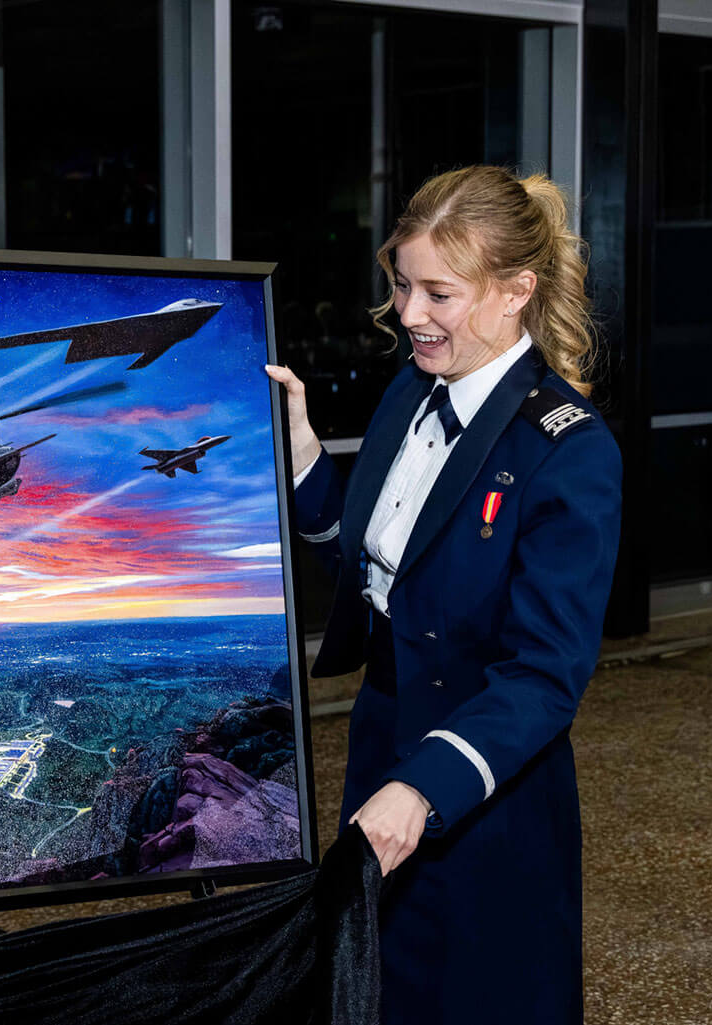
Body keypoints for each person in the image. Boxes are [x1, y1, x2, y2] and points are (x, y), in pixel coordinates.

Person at [266, 166, 621, 1024]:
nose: (409, 314)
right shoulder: (408, 393)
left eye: (438, 292)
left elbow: (544, 675)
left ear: (514, 293)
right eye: (401, 284)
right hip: (382, 739)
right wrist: (308, 454)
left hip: (483, 786)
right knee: (375, 989)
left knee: (476, 993)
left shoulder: (566, 448)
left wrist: (425, 788)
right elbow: (376, 561)